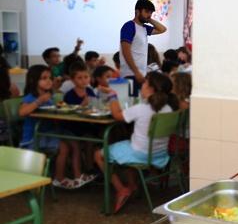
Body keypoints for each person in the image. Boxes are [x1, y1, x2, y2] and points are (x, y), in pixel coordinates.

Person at [94, 72, 179, 213]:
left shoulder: (142, 108)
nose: (142, 85)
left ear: (152, 89)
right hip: (158, 154)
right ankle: (133, 185)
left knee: (98, 154)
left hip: (140, 153)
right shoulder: (168, 108)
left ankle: (122, 189)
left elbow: (117, 115)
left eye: (145, 83)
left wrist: (113, 95)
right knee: (125, 145)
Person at [19, 65, 74, 188]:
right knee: (64, 147)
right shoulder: (31, 97)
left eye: (50, 77)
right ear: (33, 81)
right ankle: (59, 178)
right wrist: (39, 101)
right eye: (44, 78)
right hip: (33, 138)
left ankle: (64, 175)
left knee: (72, 141)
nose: (49, 80)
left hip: (47, 133)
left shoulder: (49, 97)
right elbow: (22, 112)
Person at [119, 0, 167, 96]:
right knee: (132, 104)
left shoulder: (145, 28)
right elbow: (125, 51)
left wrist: (149, 19)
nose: (149, 14)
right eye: (146, 11)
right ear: (137, 11)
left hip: (141, 74)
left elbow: (162, 29)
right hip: (130, 73)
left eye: (151, 12)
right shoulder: (129, 26)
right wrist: (136, 72)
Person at [63, 62, 98, 186]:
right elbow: (70, 113)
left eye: (86, 77)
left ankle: (89, 168)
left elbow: (95, 106)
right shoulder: (69, 95)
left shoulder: (90, 91)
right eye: (79, 78)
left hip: (85, 126)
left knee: (91, 140)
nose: (84, 80)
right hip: (71, 128)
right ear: (72, 80)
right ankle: (77, 174)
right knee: (76, 146)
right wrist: (82, 105)